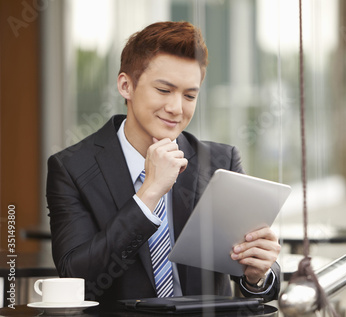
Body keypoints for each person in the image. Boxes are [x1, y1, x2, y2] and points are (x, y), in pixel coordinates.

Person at [46, 21, 281, 307]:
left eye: (189, 95)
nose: (176, 108)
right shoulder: (72, 168)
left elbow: (253, 276)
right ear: (126, 86)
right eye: (164, 90)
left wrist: (258, 275)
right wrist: (149, 193)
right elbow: (77, 279)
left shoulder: (220, 162)